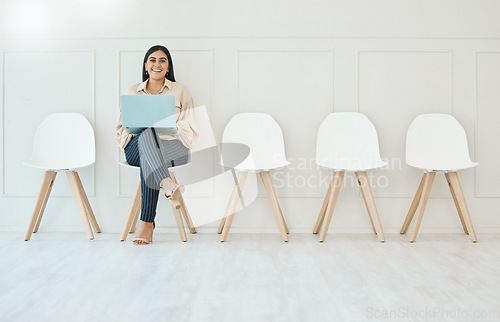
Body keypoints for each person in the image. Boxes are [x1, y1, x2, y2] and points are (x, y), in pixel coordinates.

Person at [116, 45, 199, 245]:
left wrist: (170, 126)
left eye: (162, 60)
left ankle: (146, 223)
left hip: (173, 147)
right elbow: (120, 130)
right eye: (152, 60)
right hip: (136, 147)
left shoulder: (181, 90)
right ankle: (167, 182)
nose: (157, 64)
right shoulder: (132, 91)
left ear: (168, 67)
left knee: (149, 152)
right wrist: (146, 129)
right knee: (146, 135)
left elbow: (192, 131)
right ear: (146, 66)